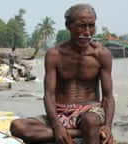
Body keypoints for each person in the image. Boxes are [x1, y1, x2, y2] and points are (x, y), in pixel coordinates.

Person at [10, 3, 115, 144]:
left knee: (90, 121)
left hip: (89, 111)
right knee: (18, 126)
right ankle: (78, 134)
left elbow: (108, 97)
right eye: (82, 26)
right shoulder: (55, 55)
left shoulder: (102, 55)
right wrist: (58, 126)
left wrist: (107, 126)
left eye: (91, 26)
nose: (88, 32)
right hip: (60, 112)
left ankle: (86, 130)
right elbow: (49, 95)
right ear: (68, 25)